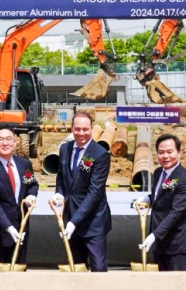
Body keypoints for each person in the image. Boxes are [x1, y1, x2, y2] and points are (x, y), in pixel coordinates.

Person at [52, 112, 111, 272]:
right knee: (76, 268)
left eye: (85, 129)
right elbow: (62, 176)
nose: (81, 133)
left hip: (93, 222)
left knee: (98, 268)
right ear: (72, 129)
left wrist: (74, 223)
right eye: (77, 129)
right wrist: (59, 193)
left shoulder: (100, 154)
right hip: (70, 217)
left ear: (92, 129)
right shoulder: (65, 148)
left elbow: (95, 193)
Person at [0, 125, 39, 271]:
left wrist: (31, 195)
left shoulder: (24, 164)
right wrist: (9, 228)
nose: (5, 143)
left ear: (16, 141)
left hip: (21, 229)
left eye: (9, 139)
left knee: (19, 276)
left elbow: (32, 184)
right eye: (0, 139)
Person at [137, 134, 186, 271]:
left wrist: (154, 235)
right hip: (160, 245)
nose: (166, 156)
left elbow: (176, 213)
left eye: (170, 152)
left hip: (177, 245)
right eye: (161, 152)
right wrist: (148, 199)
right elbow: (161, 196)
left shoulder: (184, 179)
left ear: (179, 152)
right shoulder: (158, 173)